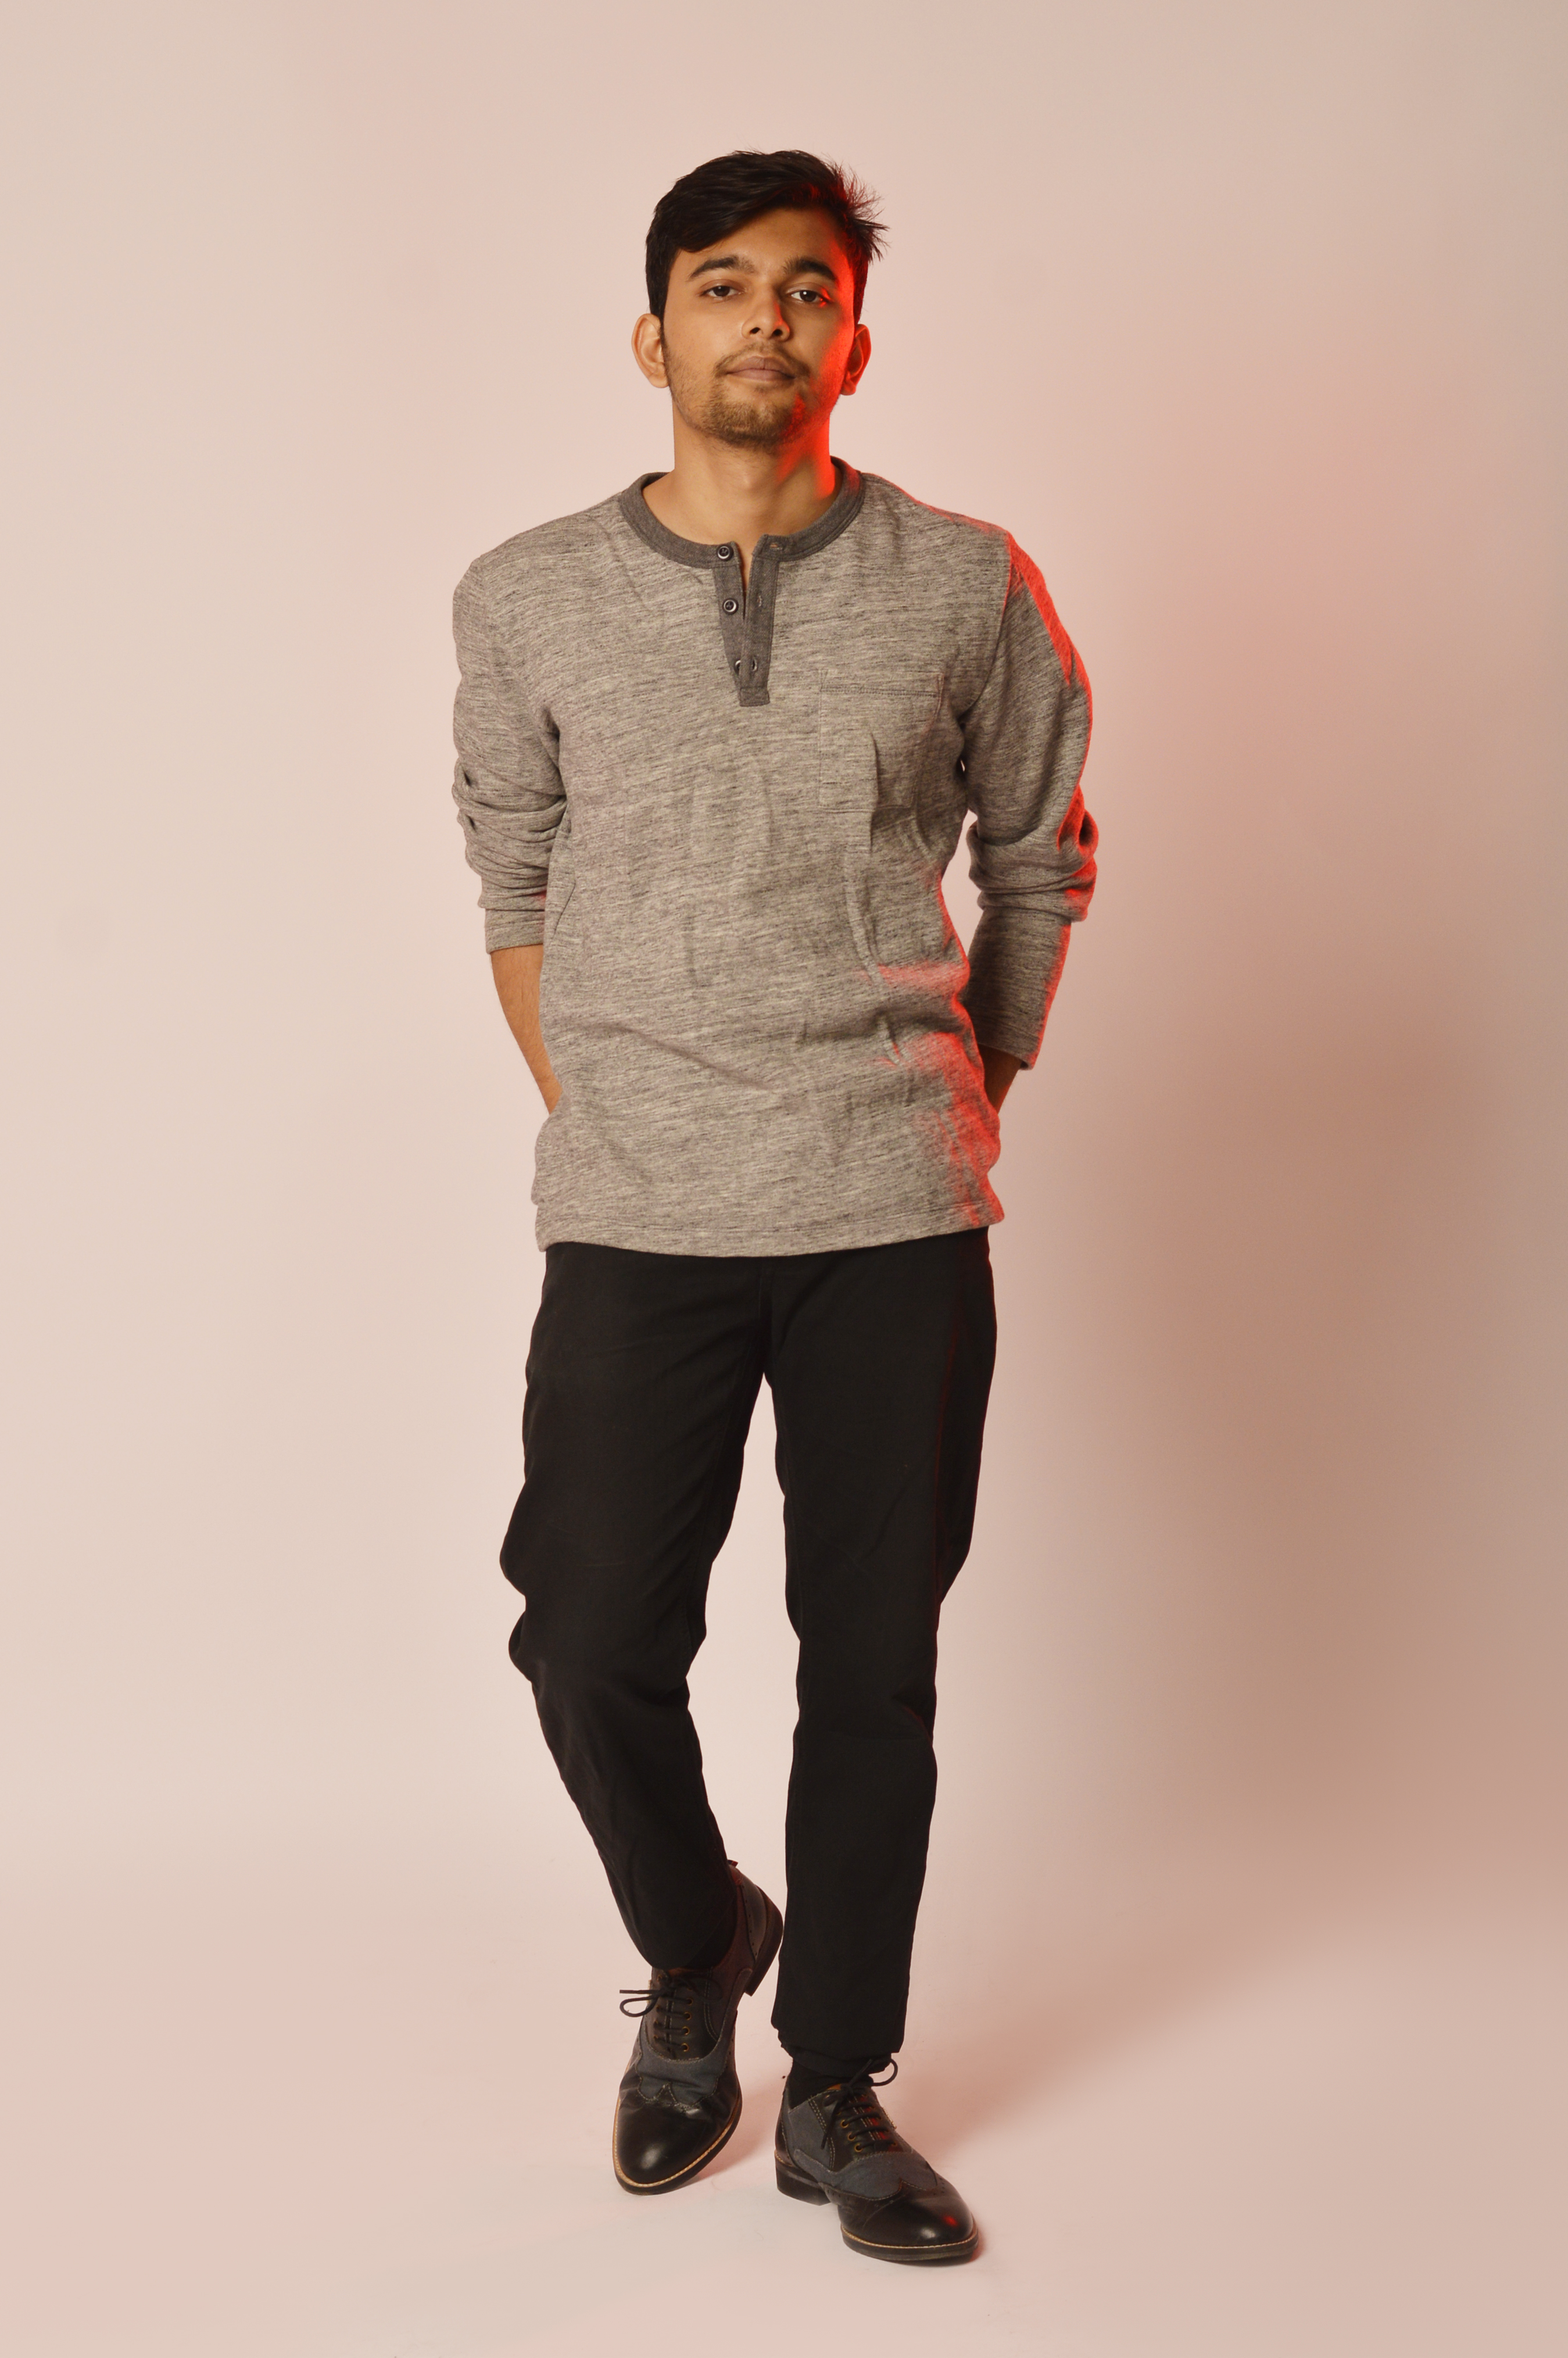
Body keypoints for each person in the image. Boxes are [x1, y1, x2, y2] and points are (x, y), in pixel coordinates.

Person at [450, 149, 1096, 2267]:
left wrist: (963, 1087)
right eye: (721, 285)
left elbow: (1036, 849)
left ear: (853, 339)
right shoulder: (526, 593)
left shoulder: (962, 579)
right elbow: (515, 879)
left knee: (871, 1662)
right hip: (638, 1207)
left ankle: (834, 2080)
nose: (764, 320)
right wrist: (616, 1110)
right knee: (586, 1637)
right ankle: (697, 1941)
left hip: (892, 1207)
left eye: (803, 287)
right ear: (652, 334)